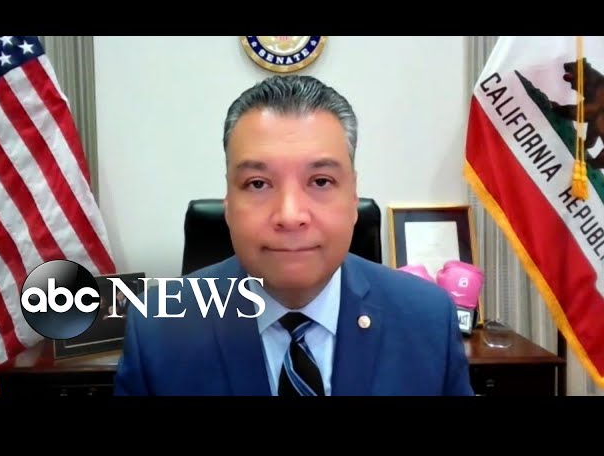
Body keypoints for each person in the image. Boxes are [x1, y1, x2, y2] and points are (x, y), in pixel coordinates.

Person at [113, 75, 475, 396]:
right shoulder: (158, 327)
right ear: (228, 203)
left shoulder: (427, 318)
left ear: (353, 198)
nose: (289, 216)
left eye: (321, 181)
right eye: (258, 184)